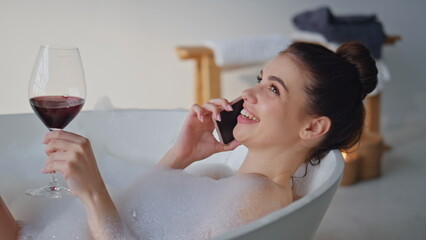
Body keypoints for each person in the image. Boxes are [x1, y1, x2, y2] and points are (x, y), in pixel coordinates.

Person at [0, 41, 377, 240]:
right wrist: (180, 155)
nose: (250, 93)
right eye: (261, 79)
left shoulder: (259, 195)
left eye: (273, 90)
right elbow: (137, 214)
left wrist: (94, 192)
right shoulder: (225, 181)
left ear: (312, 128)